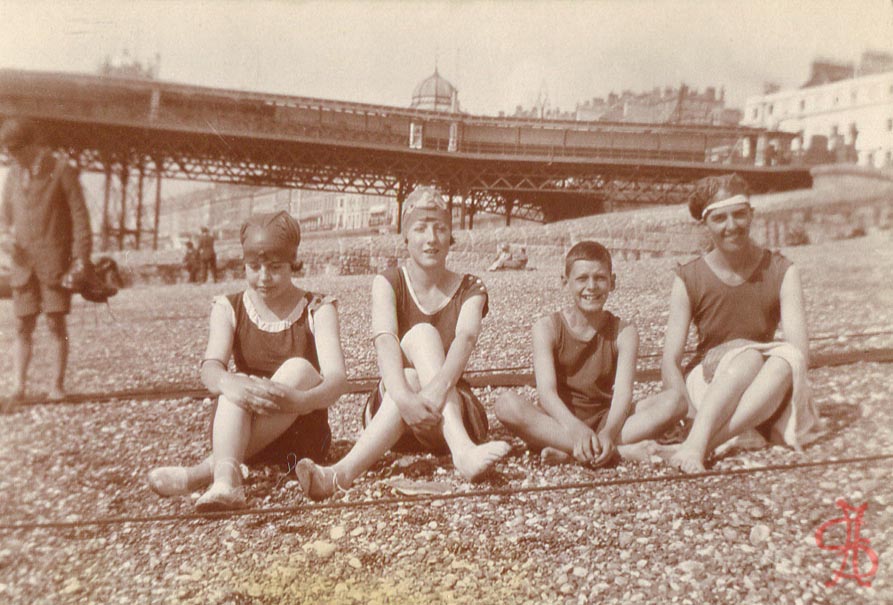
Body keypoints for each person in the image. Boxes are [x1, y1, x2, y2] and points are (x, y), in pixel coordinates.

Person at [294, 186, 510, 500]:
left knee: (423, 338)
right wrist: (406, 398)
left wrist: (435, 391)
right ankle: (462, 451)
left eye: (440, 228)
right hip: (393, 416)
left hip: (449, 413)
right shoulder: (388, 281)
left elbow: (465, 339)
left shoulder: (471, 287)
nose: (431, 238)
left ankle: (339, 476)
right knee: (410, 368)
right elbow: (385, 341)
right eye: (420, 229)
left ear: (451, 235)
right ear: (405, 237)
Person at [148, 211, 348, 511]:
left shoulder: (318, 307)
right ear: (244, 264)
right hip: (238, 427)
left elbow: (337, 380)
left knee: (299, 368)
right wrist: (230, 382)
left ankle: (203, 473)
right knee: (234, 386)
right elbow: (211, 367)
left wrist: (302, 401)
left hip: (300, 436)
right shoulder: (228, 306)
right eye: (254, 267)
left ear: (293, 263)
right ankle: (226, 483)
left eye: (275, 268)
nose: (264, 278)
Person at [663, 173, 820, 473]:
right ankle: (704, 435)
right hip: (708, 381)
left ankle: (699, 444)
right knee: (748, 358)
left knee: (779, 360)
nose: (731, 226)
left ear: (751, 215)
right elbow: (670, 360)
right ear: (705, 224)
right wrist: (689, 412)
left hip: (765, 382)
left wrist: (743, 346)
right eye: (720, 218)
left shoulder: (782, 270)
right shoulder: (689, 277)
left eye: (739, 215)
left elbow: (800, 352)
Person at [495, 241, 684, 466]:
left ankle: (573, 451)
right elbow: (547, 393)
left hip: (608, 420)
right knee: (505, 404)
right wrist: (576, 430)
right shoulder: (547, 328)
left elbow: (623, 395)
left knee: (676, 401)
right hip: (559, 421)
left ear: (612, 282)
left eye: (600, 278)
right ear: (565, 282)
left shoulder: (624, 332)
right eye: (582, 278)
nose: (591, 286)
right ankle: (618, 452)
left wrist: (607, 432)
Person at [0, 118, 93, 409]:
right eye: (7, 152)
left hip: (56, 263)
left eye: (15, 150)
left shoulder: (62, 170)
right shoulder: (14, 174)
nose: (11, 156)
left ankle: (56, 385)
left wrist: (81, 260)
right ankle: (18, 386)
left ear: (32, 144)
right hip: (22, 264)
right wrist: (4, 236)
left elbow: (80, 219)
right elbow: (5, 215)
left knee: (55, 323)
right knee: (21, 325)